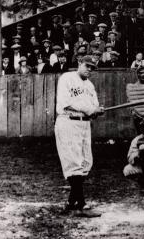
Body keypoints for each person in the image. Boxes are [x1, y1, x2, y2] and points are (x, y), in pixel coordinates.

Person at [54, 55, 105, 217]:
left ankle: (71, 202)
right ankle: (82, 205)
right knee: (74, 162)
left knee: (85, 162)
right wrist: (90, 110)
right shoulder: (67, 78)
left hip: (84, 124)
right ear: (79, 63)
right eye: (87, 66)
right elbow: (66, 102)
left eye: (92, 67)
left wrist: (97, 110)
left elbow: (93, 105)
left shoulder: (89, 85)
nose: (89, 70)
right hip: (68, 121)